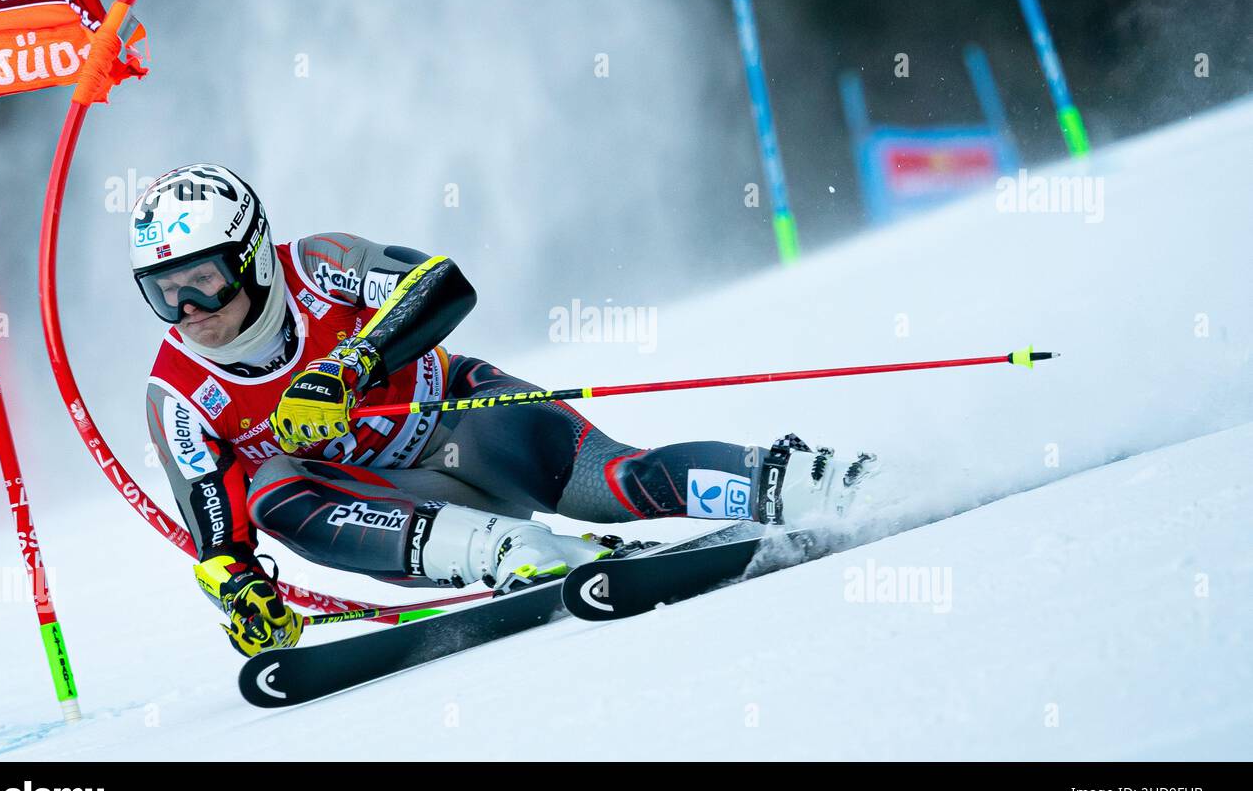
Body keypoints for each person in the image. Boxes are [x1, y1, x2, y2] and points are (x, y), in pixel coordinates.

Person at [134, 164, 877, 657]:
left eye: (204, 281)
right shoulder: (177, 396)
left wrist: (352, 365)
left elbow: (443, 283)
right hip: (395, 509)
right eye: (164, 292)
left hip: (464, 420)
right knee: (268, 489)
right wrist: (241, 591)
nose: (190, 310)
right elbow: (217, 532)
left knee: (621, 485)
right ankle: (513, 553)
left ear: (255, 256)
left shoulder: (317, 262)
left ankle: (803, 481)